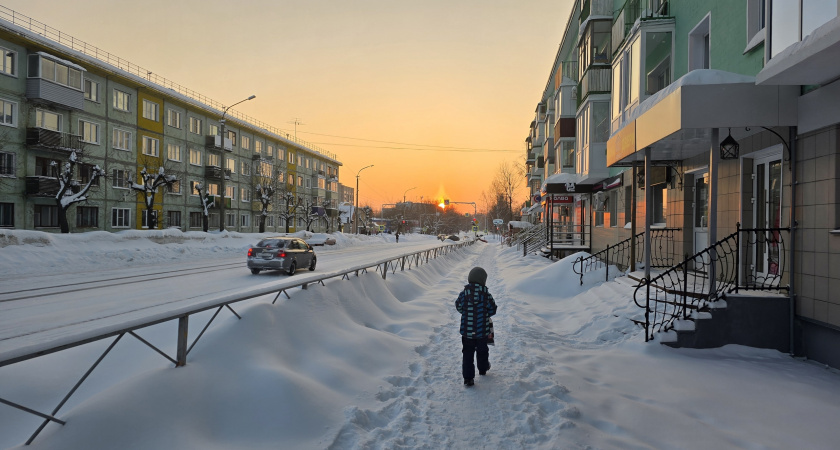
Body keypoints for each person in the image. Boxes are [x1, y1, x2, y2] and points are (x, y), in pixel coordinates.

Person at [455, 266, 497, 387]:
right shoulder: (486, 295)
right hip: (482, 331)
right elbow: (493, 309)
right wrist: (485, 314)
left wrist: (466, 312)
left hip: (467, 332)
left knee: (467, 352)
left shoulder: (464, 294)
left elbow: (458, 306)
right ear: (483, 280)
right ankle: (483, 368)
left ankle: (468, 379)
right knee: (482, 350)